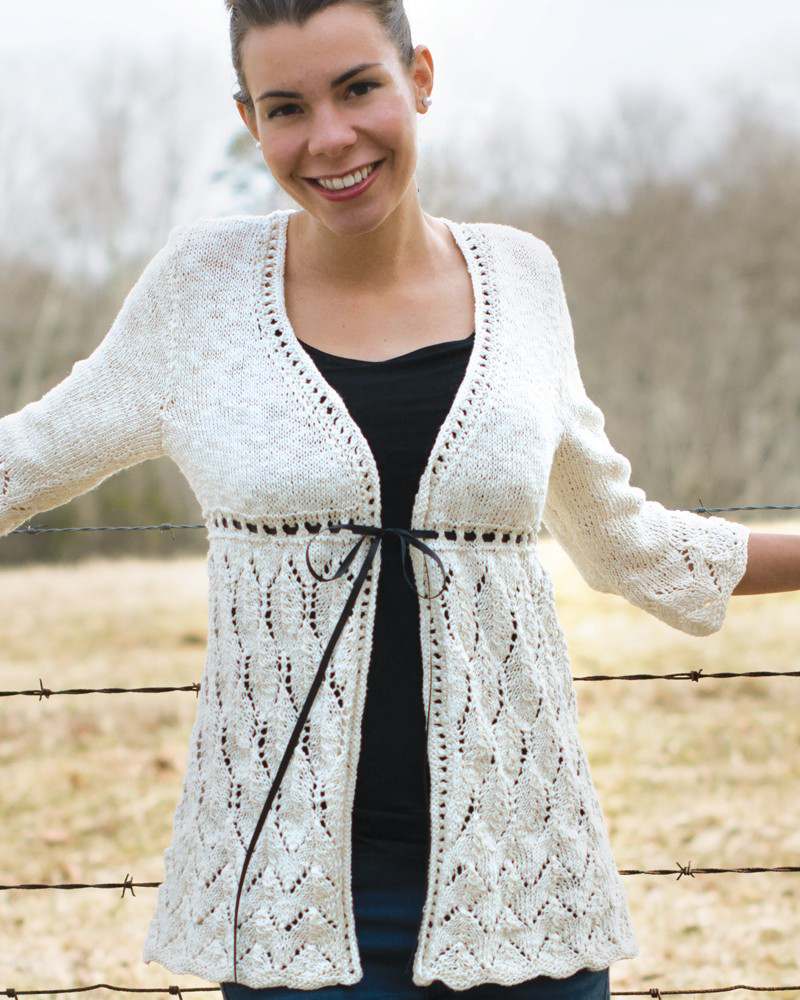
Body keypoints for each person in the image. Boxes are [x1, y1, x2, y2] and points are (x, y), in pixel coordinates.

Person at [4, 0, 778, 996]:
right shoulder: (200, 292)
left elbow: (623, 542)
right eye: (286, 108)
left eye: (358, 88)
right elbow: (24, 461)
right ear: (249, 121)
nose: (329, 138)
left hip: (523, 882)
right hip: (289, 904)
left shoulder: (523, 279)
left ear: (419, 78)